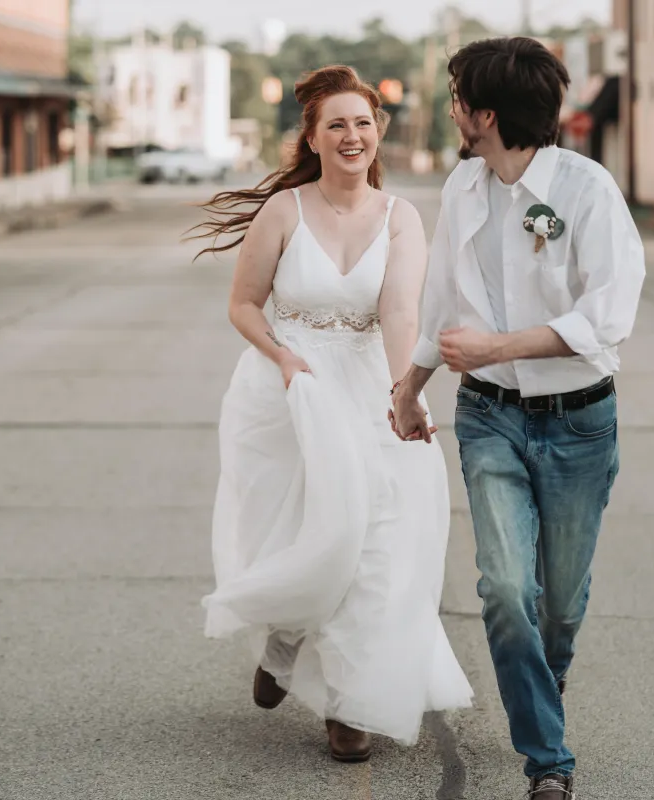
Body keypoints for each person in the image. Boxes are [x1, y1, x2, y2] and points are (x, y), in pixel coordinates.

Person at [187, 65, 473, 764]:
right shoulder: (284, 212)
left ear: (379, 134)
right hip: (291, 386)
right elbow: (244, 305)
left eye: (363, 124)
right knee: (311, 536)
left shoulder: (401, 217)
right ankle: (284, 643)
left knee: (376, 541)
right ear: (312, 139)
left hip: (368, 380)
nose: (352, 136)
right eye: (336, 124)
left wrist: (406, 391)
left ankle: (349, 706)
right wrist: (283, 358)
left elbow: (400, 310)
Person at [389, 38, 646, 800]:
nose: (453, 111)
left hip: (579, 424)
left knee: (558, 605)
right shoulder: (464, 187)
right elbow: (440, 297)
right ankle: (548, 764)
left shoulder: (588, 189)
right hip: (489, 417)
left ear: (487, 114)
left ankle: (542, 686)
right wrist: (411, 386)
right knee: (505, 588)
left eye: (460, 99)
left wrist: (502, 343)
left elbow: (611, 312)